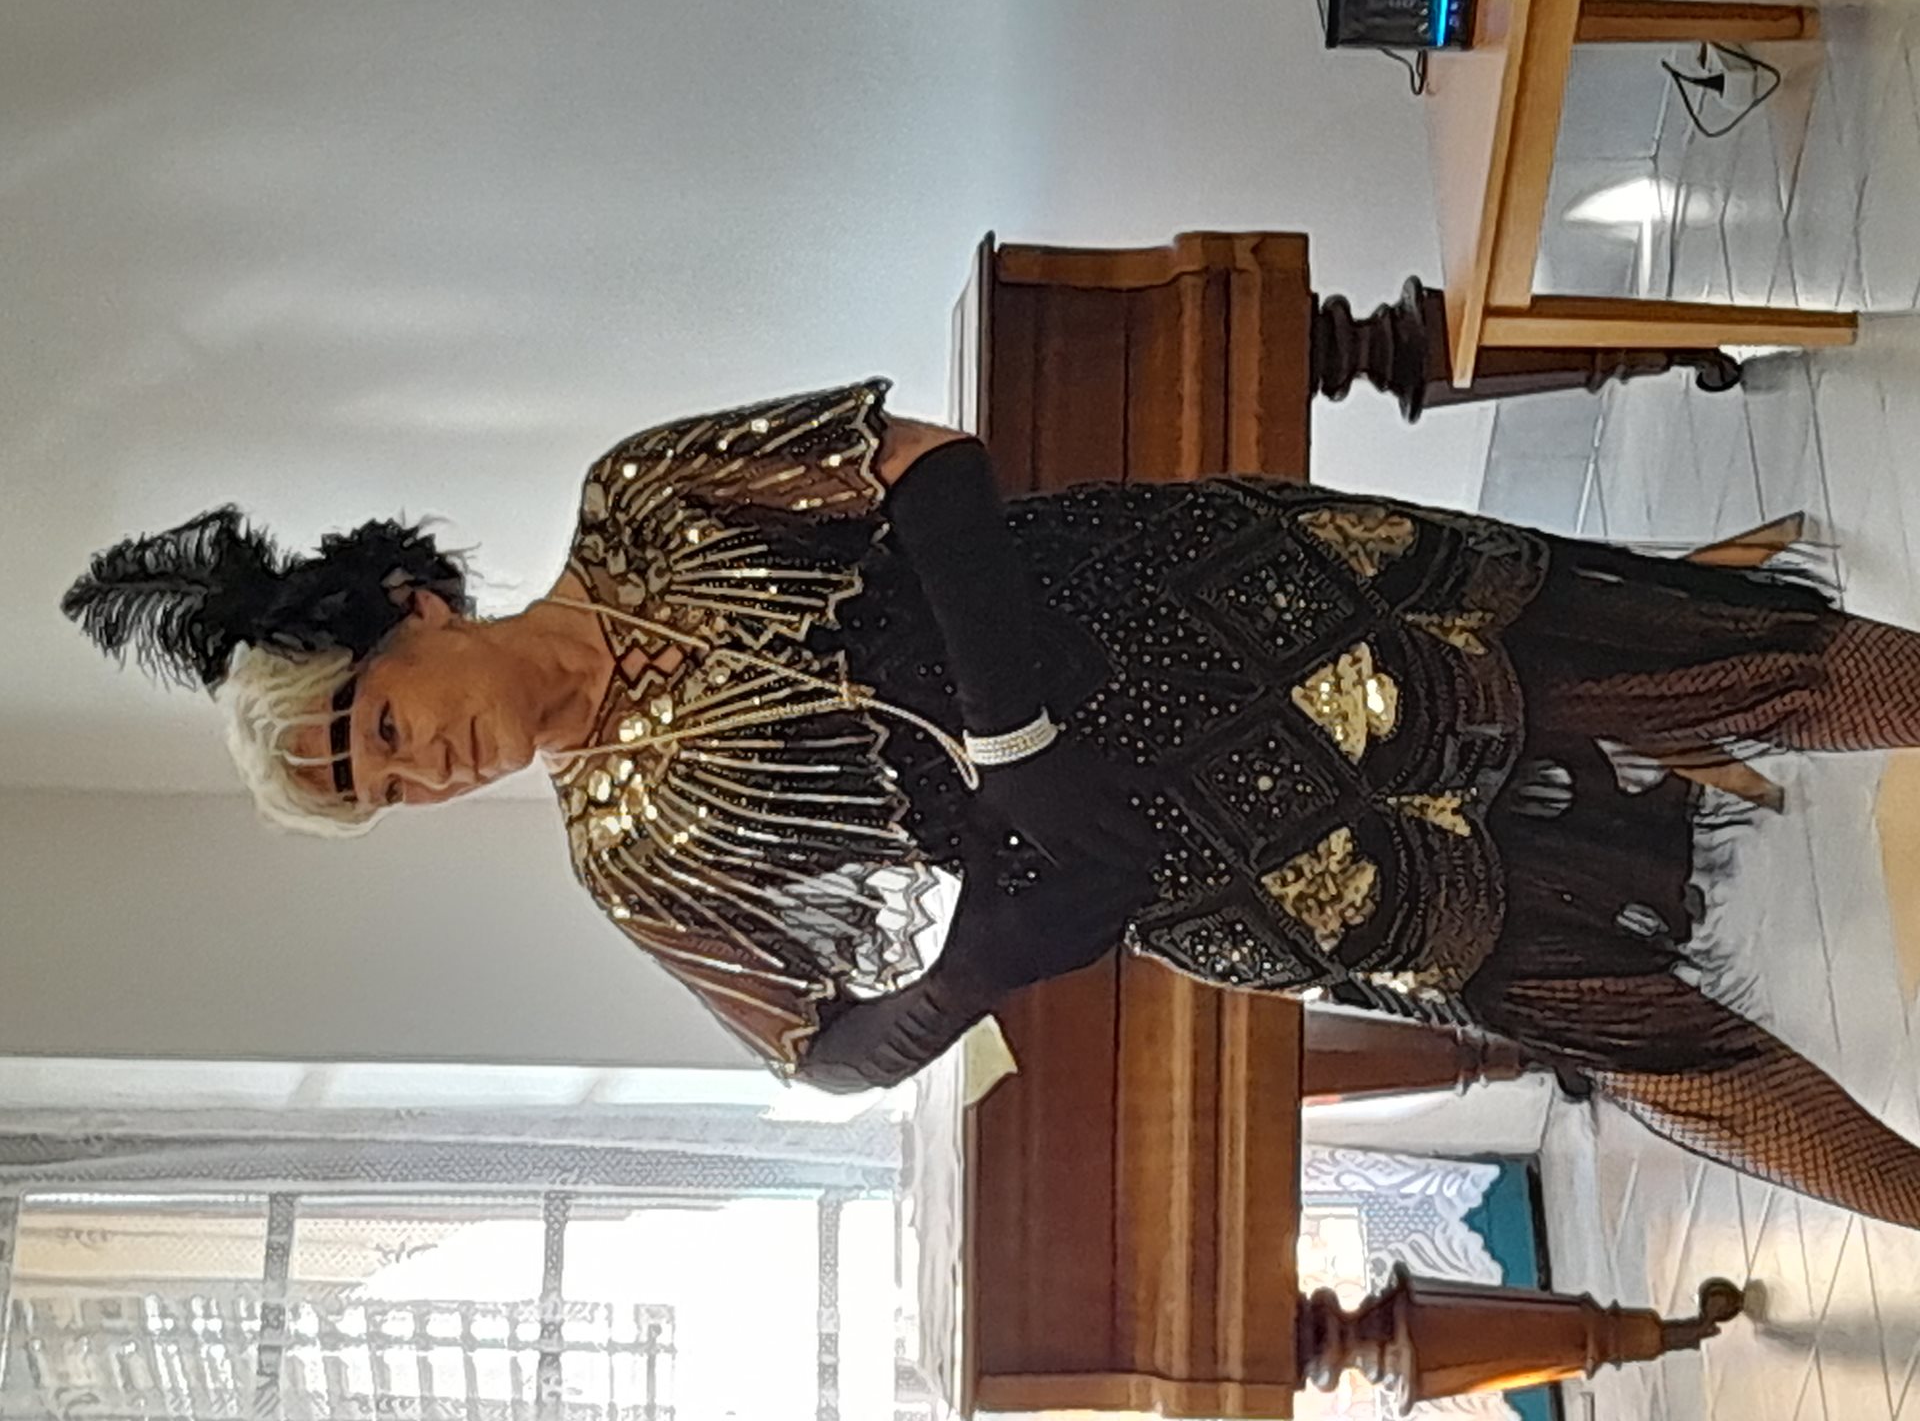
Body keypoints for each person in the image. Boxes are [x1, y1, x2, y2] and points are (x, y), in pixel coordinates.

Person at [62, 377, 1920, 1230]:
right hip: (1197, 863)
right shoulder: (628, 856)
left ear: (409, 606)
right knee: (1617, 1025)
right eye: (381, 792)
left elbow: (926, 464)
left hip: (1230, 601)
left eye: (383, 726)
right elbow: (826, 1058)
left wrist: (1018, 734)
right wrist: (993, 957)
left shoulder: (646, 496)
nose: (420, 770)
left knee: (1681, 659)